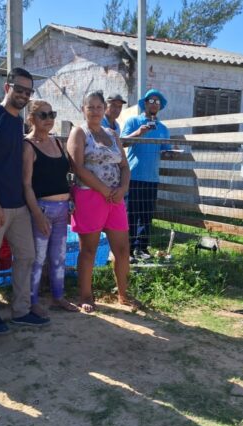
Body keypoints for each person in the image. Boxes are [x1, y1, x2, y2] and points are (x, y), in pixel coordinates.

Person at [0, 67, 50, 334]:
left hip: (18, 205)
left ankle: (20, 311)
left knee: (26, 256)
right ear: (7, 88)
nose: (23, 95)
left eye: (28, 91)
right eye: (19, 89)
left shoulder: (18, 121)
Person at [67, 91, 141, 312]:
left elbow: (124, 166)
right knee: (88, 249)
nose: (95, 111)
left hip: (115, 198)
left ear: (104, 109)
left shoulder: (112, 134)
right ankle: (86, 296)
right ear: (83, 109)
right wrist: (104, 189)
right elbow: (77, 167)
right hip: (90, 196)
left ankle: (123, 295)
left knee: (122, 248)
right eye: (91, 107)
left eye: (99, 107)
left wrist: (123, 188)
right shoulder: (79, 133)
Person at [22, 100, 79, 314]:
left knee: (59, 256)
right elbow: (26, 184)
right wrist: (37, 214)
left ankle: (58, 297)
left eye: (51, 114)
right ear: (31, 118)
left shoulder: (56, 142)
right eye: (43, 115)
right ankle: (31, 301)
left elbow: (67, 174)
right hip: (42, 209)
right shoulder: (27, 145)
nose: (49, 119)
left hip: (63, 208)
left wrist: (71, 199)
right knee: (37, 258)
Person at [122, 89, 171, 260]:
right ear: (145, 103)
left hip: (152, 177)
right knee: (130, 214)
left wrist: (170, 153)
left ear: (160, 107)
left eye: (158, 101)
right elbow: (122, 142)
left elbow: (166, 150)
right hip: (133, 176)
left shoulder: (163, 128)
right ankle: (126, 250)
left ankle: (141, 249)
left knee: (146, 215)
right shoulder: (133, 121)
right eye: (151, 100)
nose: (154, 104)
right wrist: (139, 133)